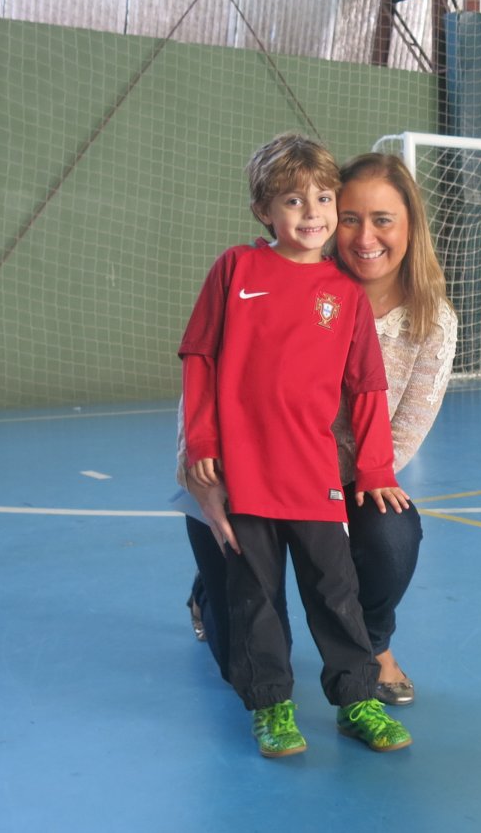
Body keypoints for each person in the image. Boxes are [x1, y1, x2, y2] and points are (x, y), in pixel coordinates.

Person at [182, 151, 457, 710]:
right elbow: (206, 369)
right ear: (267, 210)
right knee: (242, 637)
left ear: (410, 226)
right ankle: (209, 595)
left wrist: (329, 489)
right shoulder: (246, 271)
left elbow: (395, 424)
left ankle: (372, 649)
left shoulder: (421, 318)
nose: (364, 236)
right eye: (351, 217)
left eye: (383, 220)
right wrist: (201, 463)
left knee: (385, 537)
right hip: (244, 470)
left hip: (327, 480)